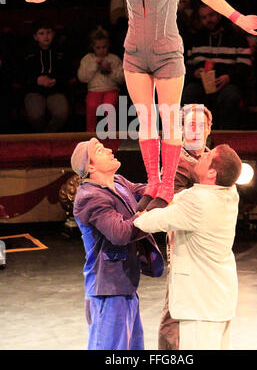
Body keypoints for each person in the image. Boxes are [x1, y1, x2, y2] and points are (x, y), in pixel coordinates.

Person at [17, 0, 257, 212]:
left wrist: (239, 19)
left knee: (168, 118)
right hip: (135, 53)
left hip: (167, 54)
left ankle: (167, 185)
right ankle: (152, 182)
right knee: (146, 120)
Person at [134, 143, 242, 350]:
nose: (202, 155)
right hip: (219, 298)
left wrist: (137, 215)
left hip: (201, 305)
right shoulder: (229, 191)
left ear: (212, 172)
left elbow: (150, 222)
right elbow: (179, 198)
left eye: (208, 156)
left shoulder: (199, 201)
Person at [70, 137, 164, 350]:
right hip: (108, 288)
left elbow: (147, 191)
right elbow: (120, 233)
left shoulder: (119, 182)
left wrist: (169, 191)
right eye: (101, 151)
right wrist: (151, 214)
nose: (110, 150)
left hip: (125, 283)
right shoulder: (90, 197)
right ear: (91, 166)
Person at [158, 103, 212, 350]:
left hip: (209, 245)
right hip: (184, 244)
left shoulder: (213, 157)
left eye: (202, 125)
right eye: (191, 125)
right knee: (177, 308)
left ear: (210, 129)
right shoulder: (176, 161)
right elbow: (172, 202)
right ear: (180, 129)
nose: (197, 130)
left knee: (202, 306)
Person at [182, 4, 252, 129]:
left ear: (219, 15)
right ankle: (194, 137)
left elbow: (245, 67)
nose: (208, 20)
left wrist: (229, 77)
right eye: (204, 17)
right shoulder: (194, 40)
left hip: (228, 83)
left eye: (211, 15)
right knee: (189, 93)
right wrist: (194, 72)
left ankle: (227, 137)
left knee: (230, 96)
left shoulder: (237, 38)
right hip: (200, 83)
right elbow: (184, 66)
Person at [22, 18, 70, 133]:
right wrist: (36, 80)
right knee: (35, 115)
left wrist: (56, 81)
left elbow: (68, 73)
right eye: (41, 33)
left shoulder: (61, 52)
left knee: (61, 113)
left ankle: (48, 135)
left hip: (56, 90)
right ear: (35, 37)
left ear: (53, 34)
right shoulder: (28, 54)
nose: (46, 36)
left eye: (48, 32)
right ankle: (42, 136)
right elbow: (21, 75)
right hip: (34, 90)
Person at [77, 27, 124, 132]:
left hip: (111, 90)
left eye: (104, 47)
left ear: (108, 46)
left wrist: (110, 70)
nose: (101, 50)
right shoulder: (87, 59)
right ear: (92, 47)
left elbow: (122, 79)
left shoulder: (114, 59)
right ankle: (90, 133)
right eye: (98, 48)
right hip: (94, 91)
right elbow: (82, 78)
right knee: (91, 106)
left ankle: (111, 133)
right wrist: (94, 66)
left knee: (109, 106)